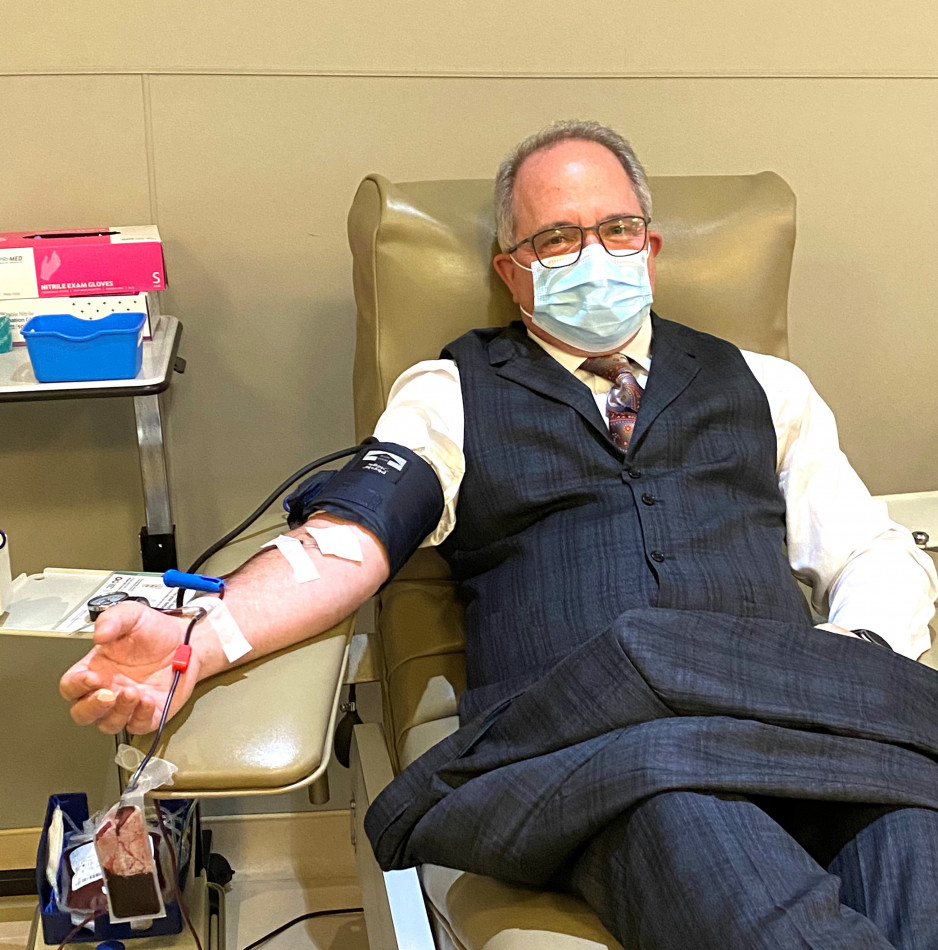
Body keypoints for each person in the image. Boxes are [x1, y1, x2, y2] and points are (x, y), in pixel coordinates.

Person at [61, 120, 938, 949]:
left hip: (803, 724)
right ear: (512, 271)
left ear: (652, 250)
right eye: (555, 239)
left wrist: (841, 668)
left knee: (916, 844)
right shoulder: (450, 390)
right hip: (610, 755)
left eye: (617, 229)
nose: (592, 254)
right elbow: (354, 537)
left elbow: (868, 548)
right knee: (731, 870)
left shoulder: (767, 385)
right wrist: (196, 643)